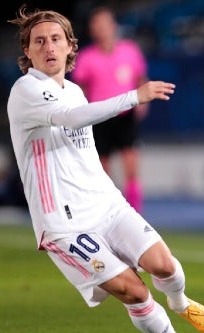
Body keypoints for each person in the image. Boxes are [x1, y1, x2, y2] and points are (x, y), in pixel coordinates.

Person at [7, 7, 204, 333]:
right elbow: (70, 118)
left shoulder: (74, 90)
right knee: (133, 290)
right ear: (27, 51)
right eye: (39, 41)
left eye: (56, 39)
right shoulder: (27, 89)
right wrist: (133, 97)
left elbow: (84, 148)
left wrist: (112, 196)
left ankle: (181, 302)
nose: (48, 46)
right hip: (64, 223)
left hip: (106, 205)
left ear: (70, 46)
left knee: (164, 266)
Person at [71, 6, 147, 212]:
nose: (101, 28)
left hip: (125, 114)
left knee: (131, 165)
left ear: (113, 25)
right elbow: (80, 88)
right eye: (96, 24)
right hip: (99, 117)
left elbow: (140, 79)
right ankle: (109, 211)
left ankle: (135, 213)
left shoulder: (130, 51)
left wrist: (143, 103)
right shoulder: (86, 57)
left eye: (104, 23)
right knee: (102, 169)